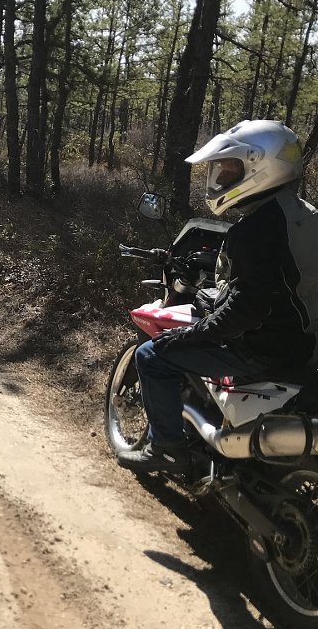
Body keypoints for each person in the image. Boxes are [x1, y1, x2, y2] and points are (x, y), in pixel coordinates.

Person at [118, 120, 318, 473]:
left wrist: (188, 335)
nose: (221, 178)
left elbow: (245, 311)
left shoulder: (254, 229)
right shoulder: (306, 216)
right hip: (305, 347)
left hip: (262, 351)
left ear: (261, 166)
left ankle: (166, 449)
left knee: (153, 355)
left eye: (229, 168)